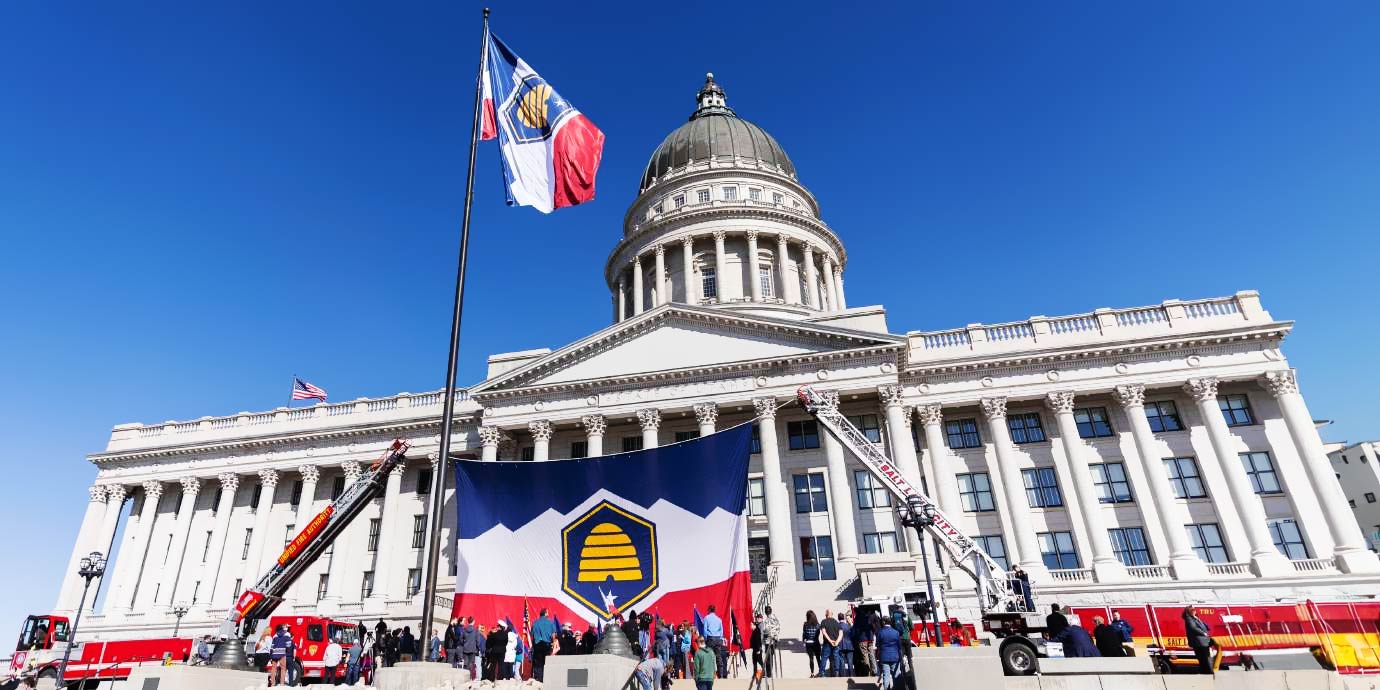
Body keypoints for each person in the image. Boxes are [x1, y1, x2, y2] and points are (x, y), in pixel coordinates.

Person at [1183, 606, 1215, 675]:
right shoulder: (1189, 619)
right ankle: (1207, 671)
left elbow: (1200, 626)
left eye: (1195, 609)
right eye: (1193, 609)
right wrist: (1203, 633)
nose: (1195, 611)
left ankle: (1206, 671)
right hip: (1199, 641)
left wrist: (1206, 627)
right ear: (1189, 611)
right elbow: (1193, 628)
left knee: (1204, 656)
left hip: (1202, 640)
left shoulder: (1195, 618)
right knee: (1203, 657)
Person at [530, 607, 558, 682]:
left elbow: (532, 635)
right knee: (546, 662)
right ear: (545, 613)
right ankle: (545, 679)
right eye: (547, 612)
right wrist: (553, 644)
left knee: (538, 662)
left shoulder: (535, 623)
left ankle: (538, 679)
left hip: (537, 644)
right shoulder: (550, 623)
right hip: (546, 645)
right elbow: (553, 636)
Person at [876, 618, 902, 690]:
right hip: (895, 657)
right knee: (896, 675)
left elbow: (878, 645)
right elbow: (899, 646)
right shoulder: (896, 632)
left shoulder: (880, 632)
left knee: (886, 676)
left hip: (884, 657)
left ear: (884, 622)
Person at [702, 605, 726, 678]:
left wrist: (705, 639)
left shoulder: (706, 618)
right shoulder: (719, 619)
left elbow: (705, 630)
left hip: (710, 639)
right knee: (718, 657)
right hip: (718, 639)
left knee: (709, 657)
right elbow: (721, 631)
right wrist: (720, 638)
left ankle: (710, 675)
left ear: (709, 610)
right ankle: (720, 675)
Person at [819, 608, 842, 677]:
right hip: (836, 643)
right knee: (836, 657)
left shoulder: (824, 621)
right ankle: (837, 672)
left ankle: (822, 673)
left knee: (824, 658)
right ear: (832, 614)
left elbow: (824, 632)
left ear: (826, 614)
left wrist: (830, 640)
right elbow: (841, 633)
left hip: (827, 644)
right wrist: (837, 642)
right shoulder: (836, 622)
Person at [760, 606, 780, 678]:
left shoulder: (771, 619)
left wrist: (772, 635)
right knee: (769, 657)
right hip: (770, 640)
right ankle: (769, 672)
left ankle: (769, 673)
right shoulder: (770, 619)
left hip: (770, 640)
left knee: (769, 657)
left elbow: (770, 629)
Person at [837, 612, 854, 677]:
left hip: (841, 645)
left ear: (838, 618)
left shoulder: (837, 626)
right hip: (849, 645)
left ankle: (843, 675)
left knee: (842, 662)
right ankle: (851, 675)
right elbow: (852, 635)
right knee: (850, 662)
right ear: (843, 618)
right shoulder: (848, 625)